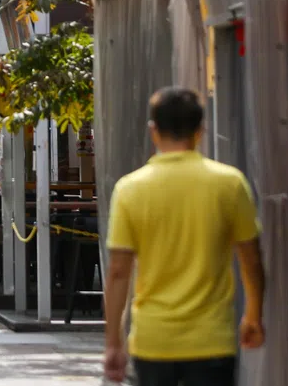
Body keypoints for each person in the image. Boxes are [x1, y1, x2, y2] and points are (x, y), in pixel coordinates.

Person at [103, 87, 265, 386]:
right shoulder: (229, 183)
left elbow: (117, 272)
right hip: (212, 340)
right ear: (200, 131)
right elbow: (251, 260)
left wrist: (113, 342)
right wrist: (253, 316)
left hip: (153, 341)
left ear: (154, 131)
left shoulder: (130, 189)